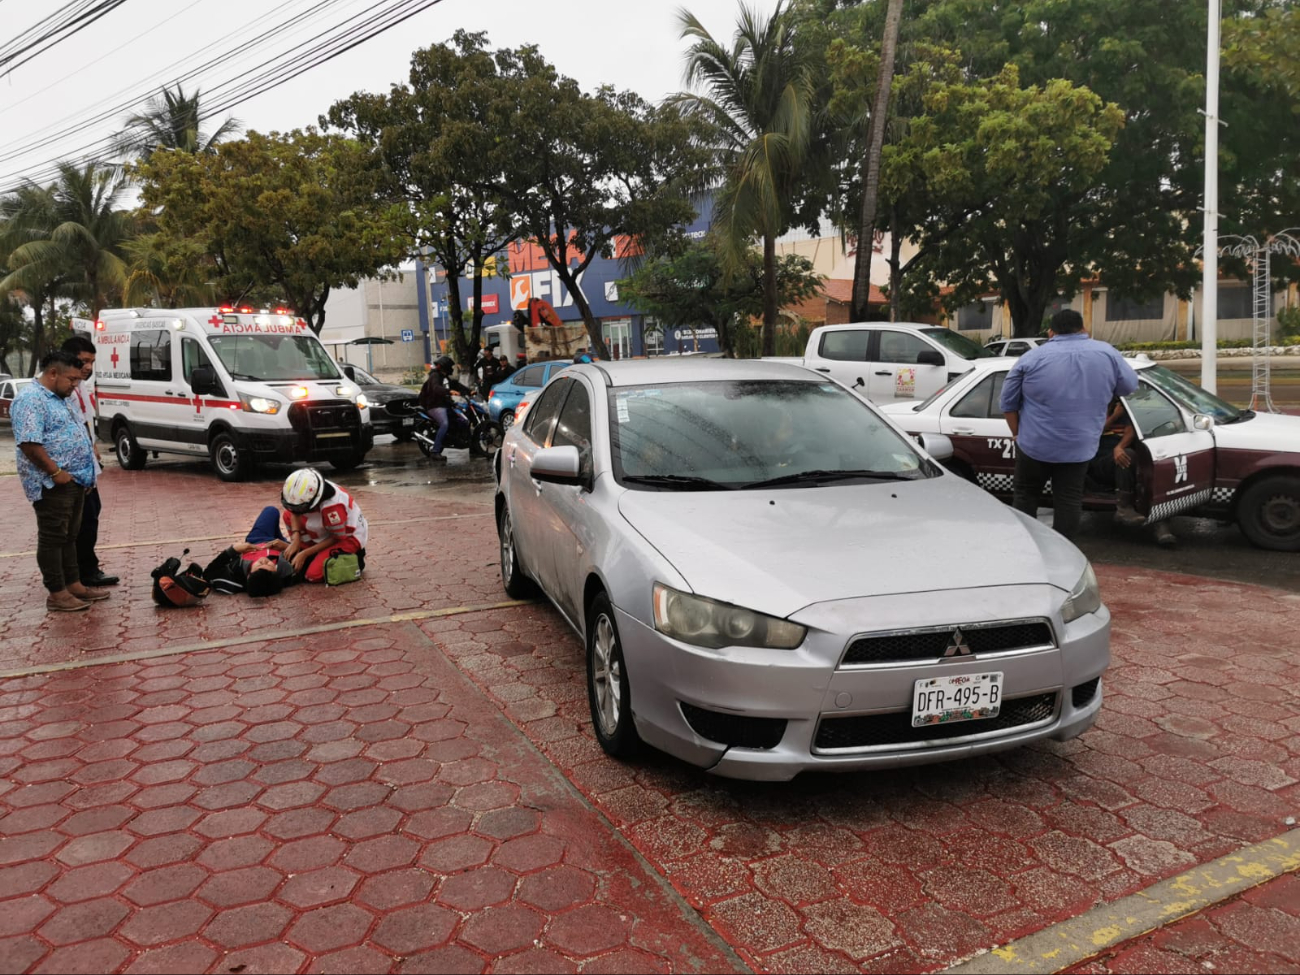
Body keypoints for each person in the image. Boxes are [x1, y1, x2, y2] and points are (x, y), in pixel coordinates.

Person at [999, 309, 1138, 541]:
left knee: (1025, 496)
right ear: (1083, 329)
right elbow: (1129, 387)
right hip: (1079, 447)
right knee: (1069, 499)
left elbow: (1007, 403)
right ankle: (1065, 552)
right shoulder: (1107, 353)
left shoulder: (1031, 358)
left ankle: (1025, 548)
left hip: (1034, 445)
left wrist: (1017, 434)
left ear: (1051, 332)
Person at [11, 351, 108, 612]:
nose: (75, 384)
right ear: (53, 373)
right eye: (71, 379)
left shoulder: (62, 397)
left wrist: (87, 470)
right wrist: (55, 472)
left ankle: (74, 584)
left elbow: (78, 430)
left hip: (76, 480)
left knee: (70, 535)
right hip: (52, 483)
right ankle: (57, 592)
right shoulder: (31, 399)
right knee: (53, 537)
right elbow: (29, 444)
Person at [61, 335, 118, 587]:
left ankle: (85, 567)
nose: (88, 368)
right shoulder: (63, 388)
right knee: (79, 522)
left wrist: (92, 446)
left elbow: (84, 421)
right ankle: (81, 572)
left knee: (90, 515)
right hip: (71, 469)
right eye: (83, 361)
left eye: (91, 362)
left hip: (86, 466)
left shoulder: (80, 386)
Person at [1088, 401, 1177, 547]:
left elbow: (1130, 430)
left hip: (1121, 461)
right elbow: (1092, 433)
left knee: (1149, 465)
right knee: (1127, 456)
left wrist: (1119, 447)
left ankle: (1161, 526)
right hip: (1098, 462)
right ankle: (1124, 508)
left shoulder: (1124, 411)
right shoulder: (1093, 411)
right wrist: (1114, 416)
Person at [280, 468, 368, 583]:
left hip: (348, 536)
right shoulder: (311, 488)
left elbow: (337, 537)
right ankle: (310, 553)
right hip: (328, 528)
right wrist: (295, 540)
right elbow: (294, 512)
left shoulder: (332, 507)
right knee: (287, 516)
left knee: (313, 575)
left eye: (300, 508)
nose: (296, 511)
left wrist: (305, 554)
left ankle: (354, 557)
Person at [205, 506, 298, 597]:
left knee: (271, 510)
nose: (264, 561)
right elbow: (305, 557)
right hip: (283, 546)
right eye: (270, 565)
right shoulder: (288, 572)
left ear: (249, 575)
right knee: (281, 512)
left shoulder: (235, 579)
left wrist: (233, 550)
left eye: (259, 565)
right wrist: (287, 546)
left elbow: (208, 574)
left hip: (258, 539)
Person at [417, 355, 472, 462]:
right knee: (444, 423)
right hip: (434, 406)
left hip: (445, 404)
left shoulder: (445, 377)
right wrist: (449, 392)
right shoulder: (435, 376)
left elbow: (456, 385)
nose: (452, 369)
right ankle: (436, 451)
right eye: (450, 366)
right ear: (445, 367)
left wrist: (469, 391)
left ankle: (468, 444)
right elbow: (436, 388)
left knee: (461, 419)